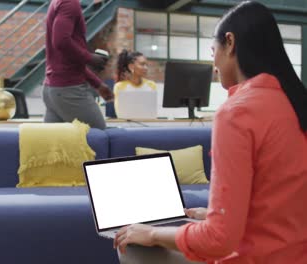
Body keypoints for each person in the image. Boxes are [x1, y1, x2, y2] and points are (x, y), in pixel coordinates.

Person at [113, 1, 307, 263]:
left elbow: (218, 240)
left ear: (230, 42)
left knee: (133, 245)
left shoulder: (236, 113)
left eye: (213, 50)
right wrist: (223, 215)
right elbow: (281, 201)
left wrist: (153, 234)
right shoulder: (294, 103)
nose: (213, 63)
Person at [42, 0, 114, 130]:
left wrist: (97, 84)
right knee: (99, 138)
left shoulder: (58, 2)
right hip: (69, 91)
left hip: (52, 90)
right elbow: (61, 41)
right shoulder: (70, 3)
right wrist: (90, 58)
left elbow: (68, 59)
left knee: (57, 147)